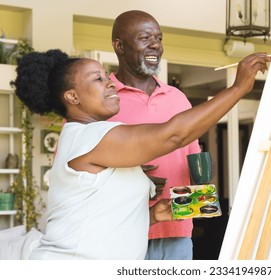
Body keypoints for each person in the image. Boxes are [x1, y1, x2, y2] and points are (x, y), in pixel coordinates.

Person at [11, 49, 270, 260]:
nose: (110, 82)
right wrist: (237, 89)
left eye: (106, 75)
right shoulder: (88, 137)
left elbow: (102, 221)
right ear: (72, 96)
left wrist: (153, 215)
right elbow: (174, 135)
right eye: (98, 79)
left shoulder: (93, 137)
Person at [108, 10, 197, 259]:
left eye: (158, 38)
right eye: (145, 38)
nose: (156, 45)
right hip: (122, 233)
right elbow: (77, 167)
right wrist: (128, 172)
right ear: (119, 46)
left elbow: (193, 161)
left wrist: (200, 196)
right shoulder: (100, 99)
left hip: (179, 230)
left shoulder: (178, 98)